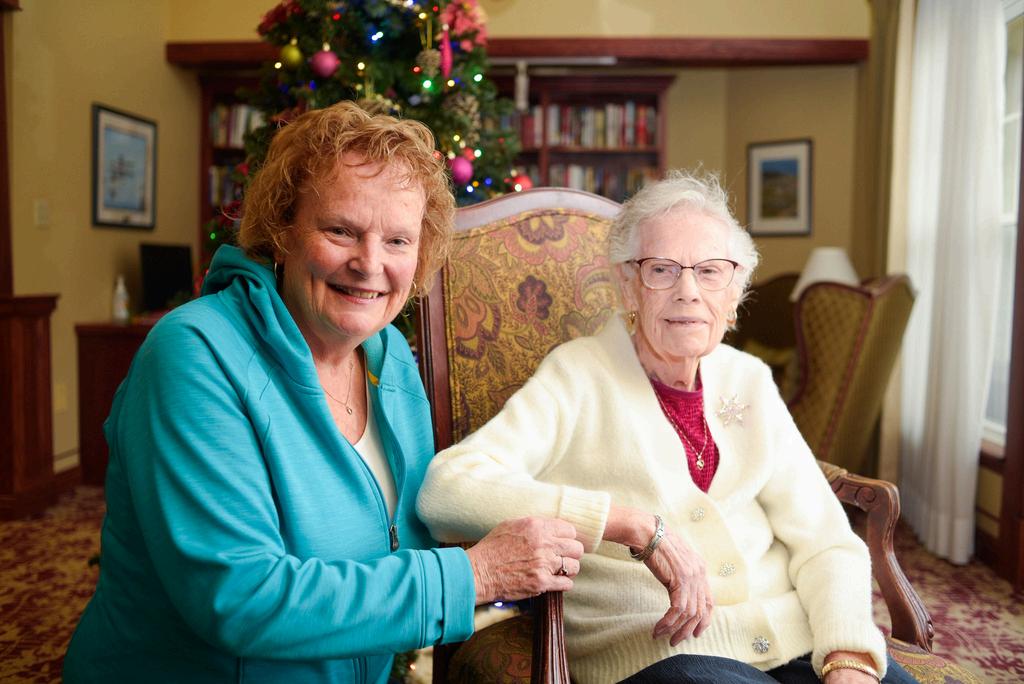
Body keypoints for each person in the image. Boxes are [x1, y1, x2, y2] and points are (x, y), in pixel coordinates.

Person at [64, 101, 583, 684]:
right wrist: (476, 576)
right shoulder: (194, 355)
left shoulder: (389, 356)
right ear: (282, 229)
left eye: (398, 240)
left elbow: (414, 533)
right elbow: (241, 599)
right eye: (341, 231)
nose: (370, 264)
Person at [417, 170, 917, 684]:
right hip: (666, 656)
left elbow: (825, 540)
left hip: (799, 640)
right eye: (661, 270)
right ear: (627, 286)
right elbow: (446, 491)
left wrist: (849, 656)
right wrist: (631, 525)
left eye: (710, 271)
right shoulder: (578, 376)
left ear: (735, 291)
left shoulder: (748, 379)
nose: (688, 292)